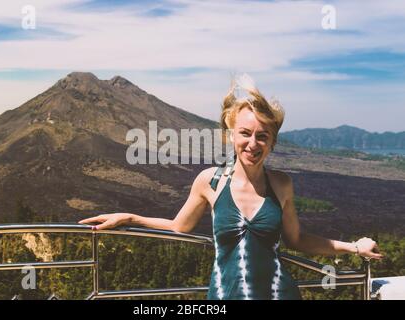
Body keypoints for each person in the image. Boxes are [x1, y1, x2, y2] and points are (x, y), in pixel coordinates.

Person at [79, 74, 383, 300]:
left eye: (262, 136)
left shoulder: (281, 185)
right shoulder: (209, 182)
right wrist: (129, 218)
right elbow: (178, 226)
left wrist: (354, 247)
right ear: (230, 135)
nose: (253, 144)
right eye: (245, 133)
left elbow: (298, 239)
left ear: (273, 142)